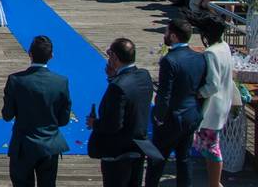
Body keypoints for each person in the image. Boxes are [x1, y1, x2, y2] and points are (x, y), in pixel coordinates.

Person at [1, 35, 71, 187]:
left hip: (23, 146)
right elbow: (64, 120)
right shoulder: (61, 82)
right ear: (51, 56)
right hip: (50, 145)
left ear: (29, 53)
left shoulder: (15, 80)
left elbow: (7, 115)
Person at [145, 19, 206, 187]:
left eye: (166, 32)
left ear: (173, 36)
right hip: (191, 114)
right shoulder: (199, 57)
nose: (164, 35)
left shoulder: (169, 60)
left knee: (157, 159)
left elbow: (165, 94)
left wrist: (158, 117)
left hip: (172, 117)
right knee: (184, 159)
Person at [86, 38, 154, 187]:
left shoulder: (117, 87)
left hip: (118, 153)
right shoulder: (144, 76)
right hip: (138, 148)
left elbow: (113, 125)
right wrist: (113, 77)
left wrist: (94, 123)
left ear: (115, 58)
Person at [191, 15, 237, 187]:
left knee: (212, 148)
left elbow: (212, 85)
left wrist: (196, 93)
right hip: (223, 102)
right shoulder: (224, 46)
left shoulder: (211, 53)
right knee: (211, 147)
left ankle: (215, 183)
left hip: (212, 107)